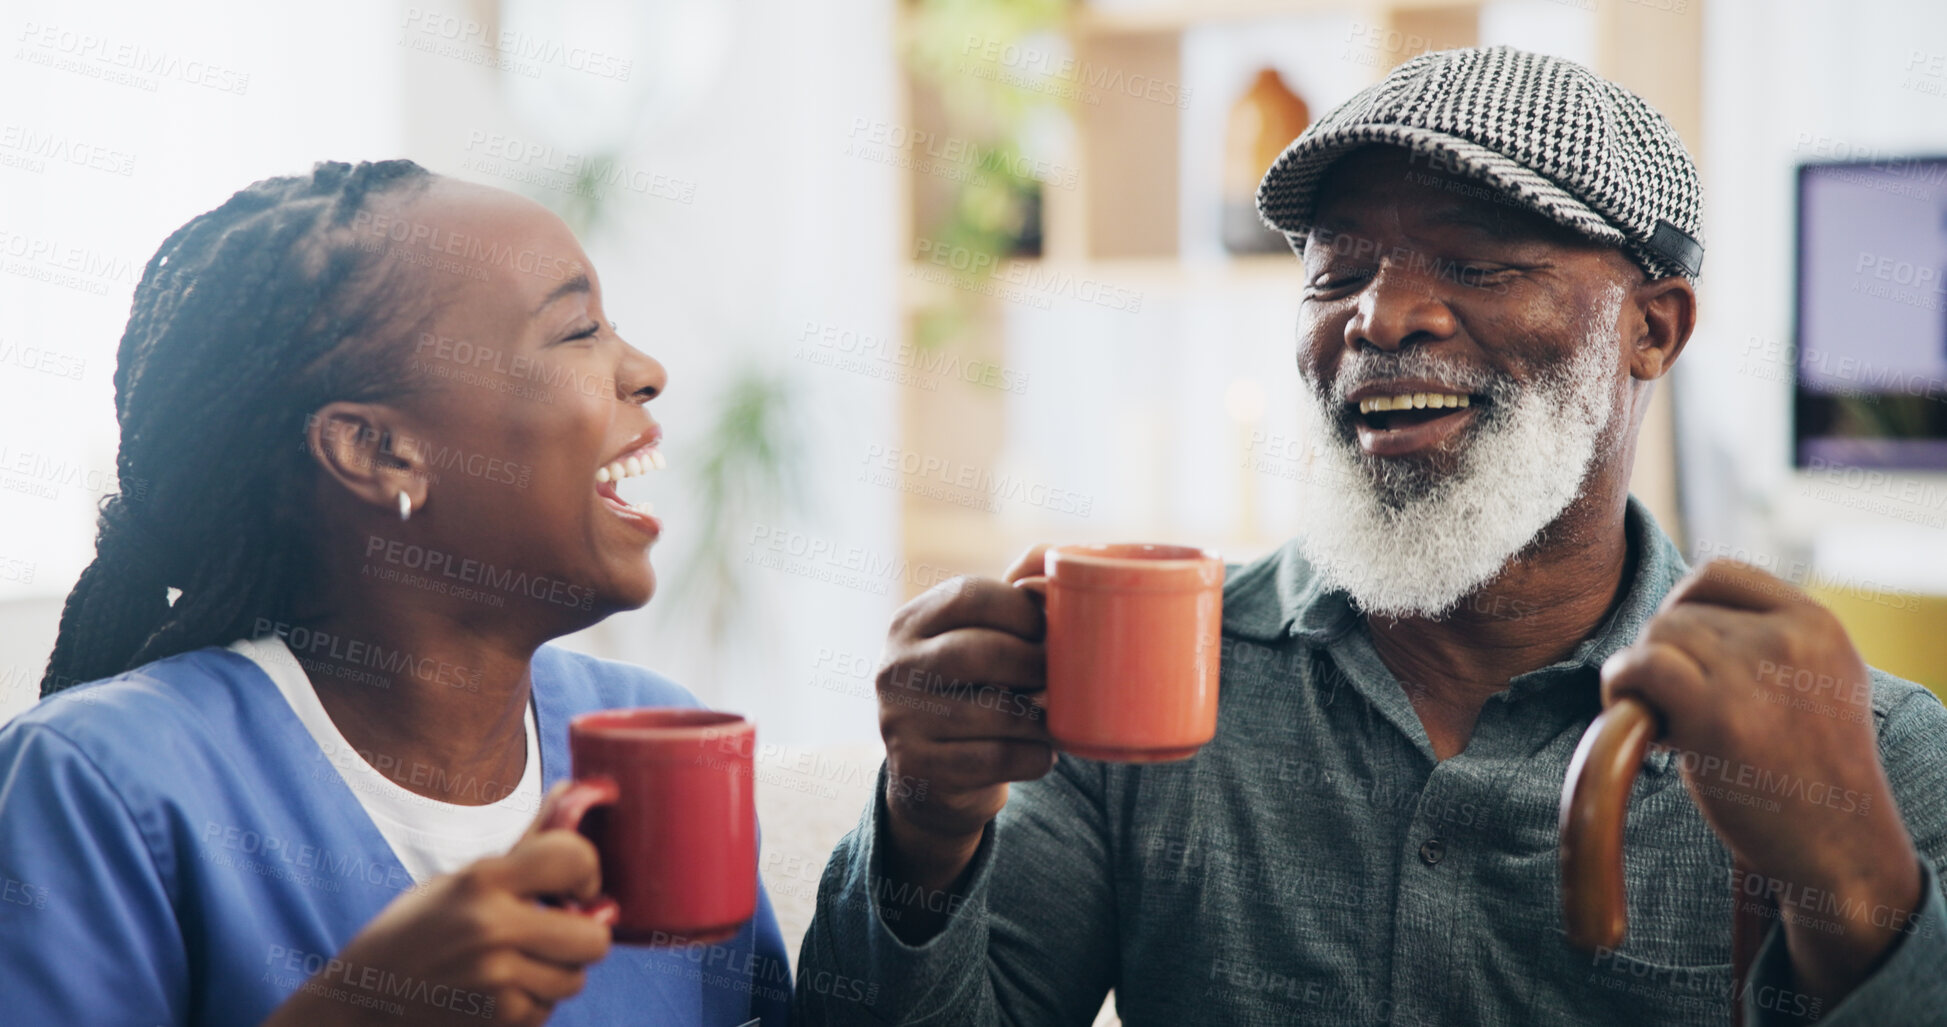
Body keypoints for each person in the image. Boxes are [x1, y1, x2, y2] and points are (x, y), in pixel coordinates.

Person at [794, 47, 1947, 1025]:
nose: (1382, 316)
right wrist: (923, 826)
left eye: (1479, 261)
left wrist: (1849, 886)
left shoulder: (1872, 752)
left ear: (1654, 326)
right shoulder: (1151, 691)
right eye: (1337, 270)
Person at [0, 160, 791, 1026]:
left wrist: (928, 840)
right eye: (577, 332)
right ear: (378, 451)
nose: (645, 370)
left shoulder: (652, 741)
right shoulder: (101, 784)